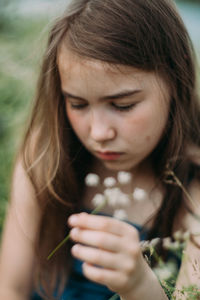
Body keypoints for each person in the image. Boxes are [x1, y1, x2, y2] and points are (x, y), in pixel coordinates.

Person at [0, 0, 200, 299]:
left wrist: (139, 286)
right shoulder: (47, 156)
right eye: (77, 104)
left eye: (123, 105)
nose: (98, 133)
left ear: (175, 80)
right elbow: (11, 288)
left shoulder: (192, 187)